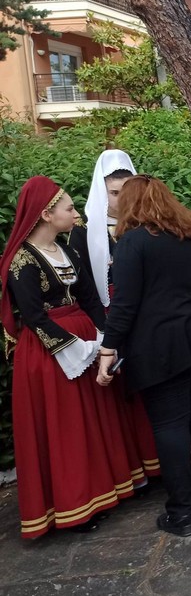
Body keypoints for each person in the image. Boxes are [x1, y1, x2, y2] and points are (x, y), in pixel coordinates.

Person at [1, 177, 142, 537]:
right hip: (52, 353)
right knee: (66, 427)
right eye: (68, 208)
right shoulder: (22, 261)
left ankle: (103, 490)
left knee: (93, 420)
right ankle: (73, 507)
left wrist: (104, 339)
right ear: (47, 214)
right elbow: (33, 317)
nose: (76, 214)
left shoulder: (67, 250)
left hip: (85, 339)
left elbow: (89, 297)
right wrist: (80, 350)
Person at [96, 175, 191, 537]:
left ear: (130, 204)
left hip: (164, 344)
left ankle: (181, 513)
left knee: (170, 423)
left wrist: (108, 349)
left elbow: (124, 305)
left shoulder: (132, 242)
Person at [68, 150, 159, 493]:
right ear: (101, 193)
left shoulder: (147, 228)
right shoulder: (83, 235)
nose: (121, 200)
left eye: (126, 191)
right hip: (111, 324)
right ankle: (133, 469)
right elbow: (86, 290)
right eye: (114, 193)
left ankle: (161, 460)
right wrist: (104, 330)